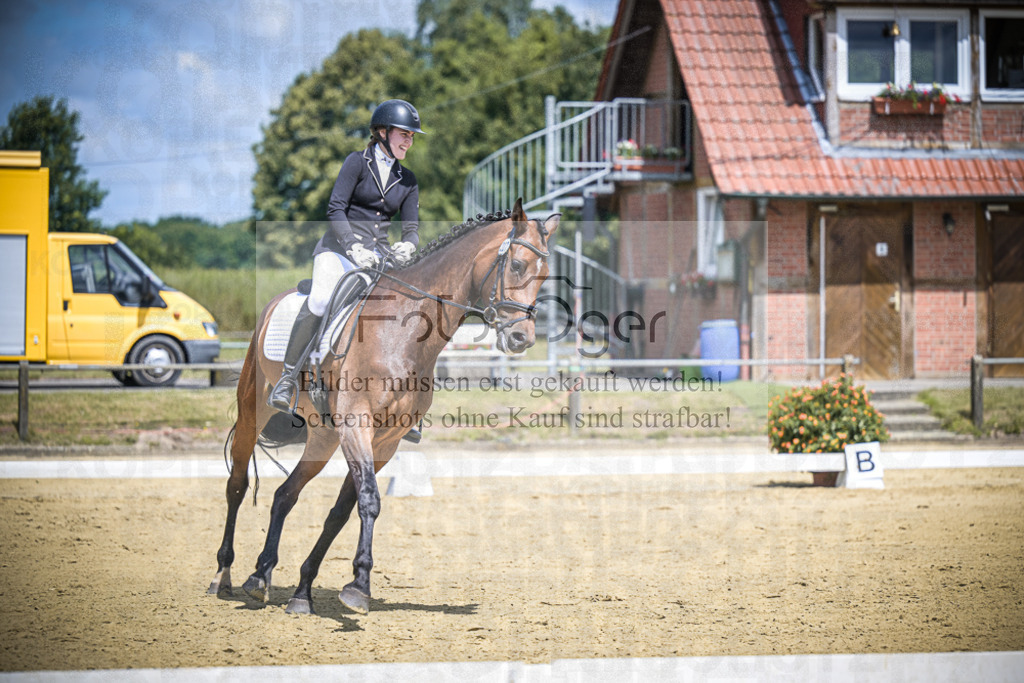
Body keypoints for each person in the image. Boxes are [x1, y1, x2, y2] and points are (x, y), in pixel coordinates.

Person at [267, 99, 425, 414]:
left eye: (411, 136)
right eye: (403, 134)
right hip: (339, 250)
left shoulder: (408, 180)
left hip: (379, 258)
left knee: (402, 308)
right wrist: (353, 246)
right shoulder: (356, 162)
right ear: (382, 132)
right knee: (322, 300)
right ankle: (287, 377)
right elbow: (335, 208)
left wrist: (410, 244)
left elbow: (411, 228)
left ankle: (402, 397)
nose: (409, 140)